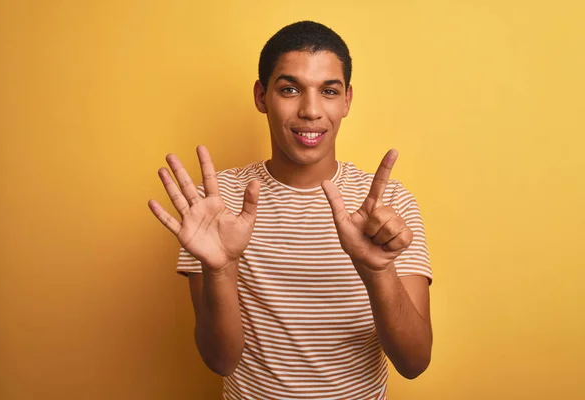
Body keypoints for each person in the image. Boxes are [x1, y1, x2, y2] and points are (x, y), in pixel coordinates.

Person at [148, 20, 433, 400]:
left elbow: (414, 363)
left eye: (328, 91)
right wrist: (219, 269)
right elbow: (220, 360)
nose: (311, 110)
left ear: (347, 99)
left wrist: (378, 272)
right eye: (290, 89)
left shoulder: (387, 206)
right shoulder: (216, 205)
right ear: (261, 96)